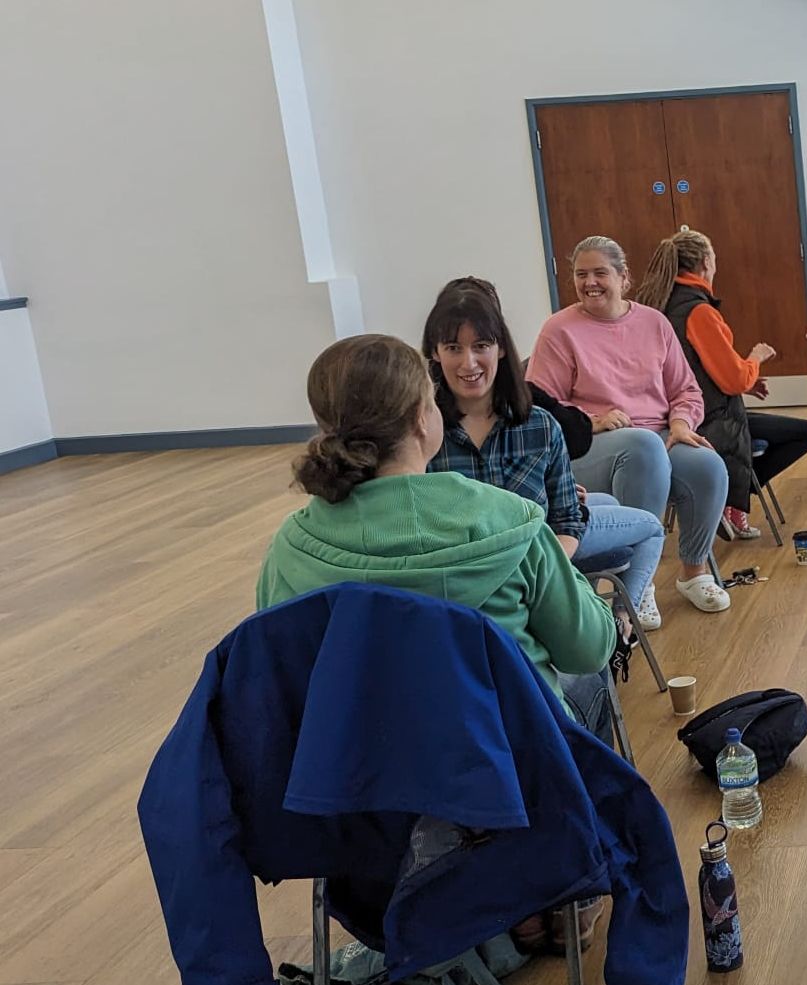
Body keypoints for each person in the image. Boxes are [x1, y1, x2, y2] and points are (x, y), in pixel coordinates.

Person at [257, 333, 616, 705]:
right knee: (591, 683)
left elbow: (277, 674)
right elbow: (590, 650)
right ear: (420, 418)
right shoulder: (514, 521)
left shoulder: (290, 546)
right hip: (506, 737)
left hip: (354, 740)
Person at [422, 276, 667, 633]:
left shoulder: (540, 424)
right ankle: (616, 615)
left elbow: (566, 521)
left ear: (500, 347)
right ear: (435, 352)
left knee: (589, 647)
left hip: (535, 578)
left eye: (481, 345)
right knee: (641, 524)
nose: (469, 362)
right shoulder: (422, 432)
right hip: (462, 596)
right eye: (453, 348)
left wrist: (538, 575)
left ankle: (620, 622)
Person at [528, 235, 731, 613]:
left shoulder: (654, 323)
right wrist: (591, 421)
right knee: (643, 446)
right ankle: (639, 584)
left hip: (656, 435)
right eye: (581, 274)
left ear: (624, 278)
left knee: (708, 465)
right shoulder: (559, 330)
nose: (590, 282)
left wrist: (682, 423)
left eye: (600, 273)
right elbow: (539, 408)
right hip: (589, 446)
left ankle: (694, 571)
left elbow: (686, 390)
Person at [634, 228, 807, 539]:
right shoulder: (698, 311)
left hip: (666, 418)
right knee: (805, 433)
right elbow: (733, 380)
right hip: (710, 421)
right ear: (706, 263)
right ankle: (723, 497)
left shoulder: (657, 305)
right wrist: (756, 357)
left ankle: (725, 497)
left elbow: (690, 369)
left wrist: (747, 382)